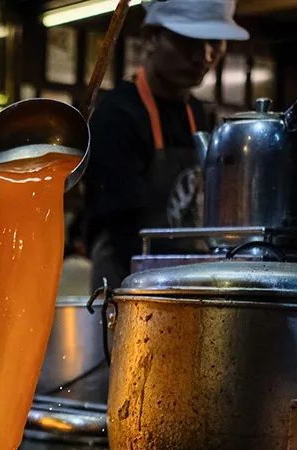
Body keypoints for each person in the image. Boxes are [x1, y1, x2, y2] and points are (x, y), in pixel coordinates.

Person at [85, 0, 249, 289]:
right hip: (127, 289)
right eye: (190, 42)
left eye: (215, 43)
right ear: (151, 38)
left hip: (187, 285)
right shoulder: (117, 116)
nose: (205, 56)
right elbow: (124, 233)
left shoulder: (196, 113)